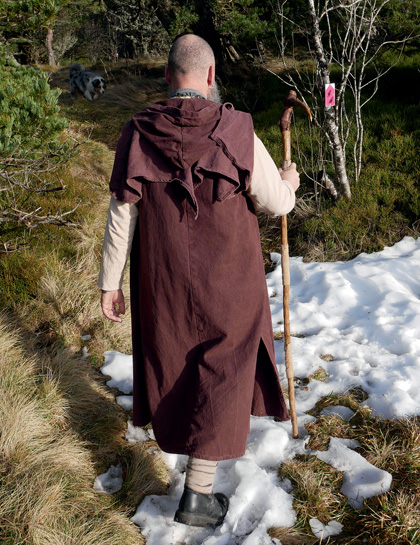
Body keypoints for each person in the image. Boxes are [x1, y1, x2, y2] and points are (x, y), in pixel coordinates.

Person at [98, 34, 300, 529]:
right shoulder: (237, 129)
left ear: (168, 77)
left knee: (175, 360)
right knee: (221, 367)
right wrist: (290, 182)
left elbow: (121, 212)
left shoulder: (138, 132)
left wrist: (110, 282)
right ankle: (199, 493)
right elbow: (276, 203)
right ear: (210, 77)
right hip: (229, 278)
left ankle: (197, 485)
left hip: (162, 281)